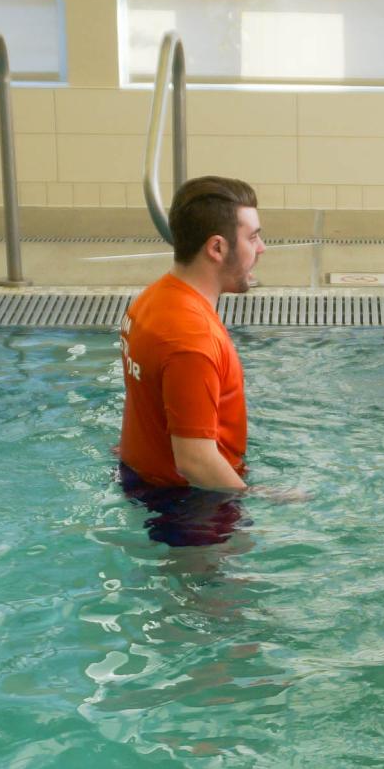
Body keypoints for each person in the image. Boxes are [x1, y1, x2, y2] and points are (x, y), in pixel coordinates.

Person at [118, 176, 263, 545]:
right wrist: (262, 498)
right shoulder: (191, 339)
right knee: (215, 602)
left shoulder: (152, 299)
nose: (261, 248)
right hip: (193, 506)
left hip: (144, 479)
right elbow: (195, 462)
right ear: (216, 247)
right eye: (252, 237)